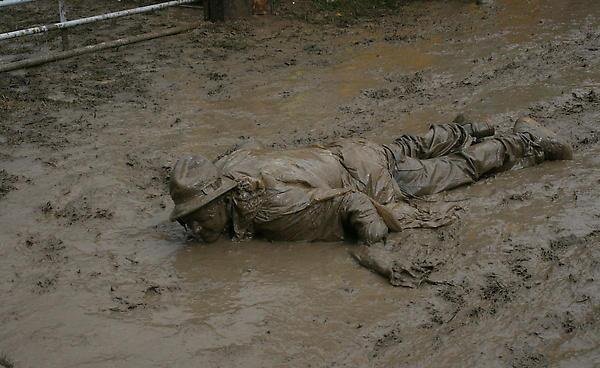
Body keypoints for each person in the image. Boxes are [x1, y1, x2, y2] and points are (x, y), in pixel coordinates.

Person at [168, 116, 572, 284]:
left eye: (199, 217)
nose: (194, 227)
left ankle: (523, 138)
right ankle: (470, 127)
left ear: (221, 199)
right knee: (405, 147)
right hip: (347, 150)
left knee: (449, 173)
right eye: (187, 219)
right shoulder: (230, 164)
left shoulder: (272, 209)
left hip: (365, 176)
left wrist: (375, 245)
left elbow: (352, 203)